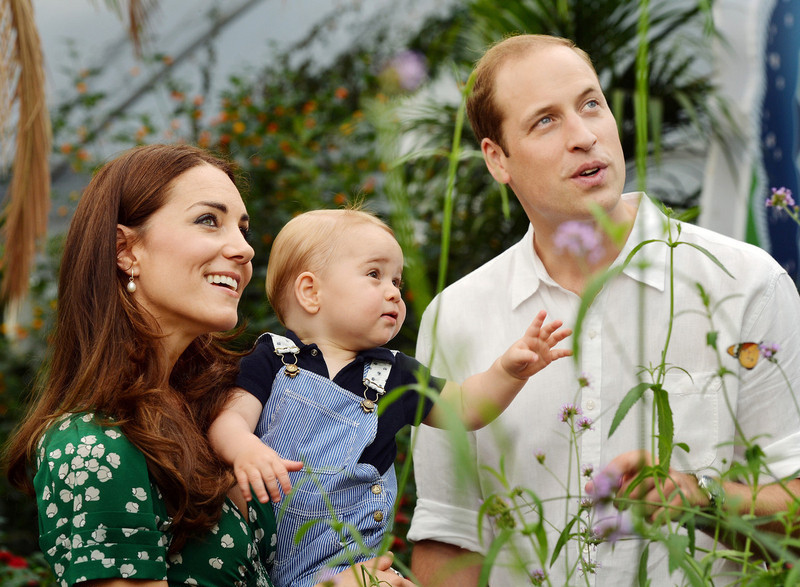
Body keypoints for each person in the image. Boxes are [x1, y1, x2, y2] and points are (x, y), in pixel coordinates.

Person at [407, 34, 800, 586]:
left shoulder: (745, 282)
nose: (585, 136)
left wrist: (704, 500)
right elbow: (449, 535)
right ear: (497, 159)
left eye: (590, 104)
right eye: (545, 121)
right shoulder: (456, 316)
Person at [4, 144, 414, 587]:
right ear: (125, 250)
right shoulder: (93, 445)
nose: (243, 250)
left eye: (243, 229)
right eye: (208, 220)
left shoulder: (219, 416)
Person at [207, 208, 573, 587]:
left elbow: (465, 407)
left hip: (343, 568)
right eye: (374, 274)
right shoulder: (274, 358)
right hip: (254, 559)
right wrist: (245, 449)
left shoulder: (395, 374)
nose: (394, 292)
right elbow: (229, 421)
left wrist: (507, 372)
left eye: (396, 281)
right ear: (311, 292)